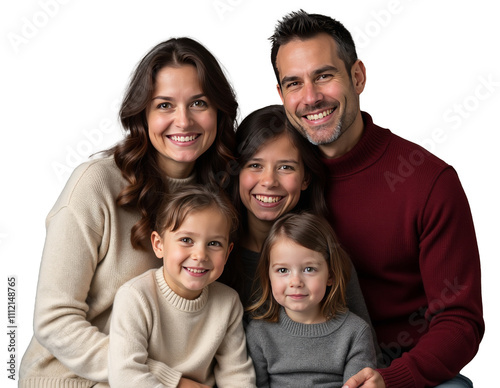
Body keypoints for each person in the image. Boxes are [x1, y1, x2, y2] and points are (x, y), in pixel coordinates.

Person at [269, 10, 484, 388]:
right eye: (294, 83)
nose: (311, 97)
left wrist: (393, 378)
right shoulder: (278, 181)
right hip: (298, 364)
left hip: (398, 366)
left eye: (324, 75)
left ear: (357, 76)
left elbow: (459, 321)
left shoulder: (428, 181)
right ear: (282, 96)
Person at [19, 37, 238, 387]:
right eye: (164, 105)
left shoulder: (222, 195)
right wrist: (172, 381)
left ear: (219, 111)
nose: (183, 121)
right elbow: (54, 319)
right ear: (142, 114)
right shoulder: (96, 184)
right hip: (73, 378)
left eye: (199, 102)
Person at [220, 105, 371, 331]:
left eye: (285, 167)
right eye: (254, 165)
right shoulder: (214, 253)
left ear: (305, 178)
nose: (269, 181)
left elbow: (362, 345)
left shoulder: (327, 256)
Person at [108, 185, 256, 388]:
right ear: (159, 244)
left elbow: (237, 375)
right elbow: (126, 375)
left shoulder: (228, 302)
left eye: (214, 244)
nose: (200, 255)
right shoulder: (135, 296)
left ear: (228, 252)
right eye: (186, 240)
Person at [245, 212, 377, 387]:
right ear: (268, 276)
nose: (296, 282)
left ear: (330, 274)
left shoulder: (355, 333)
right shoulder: (259, 333)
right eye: (283, 270)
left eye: (309, 269)